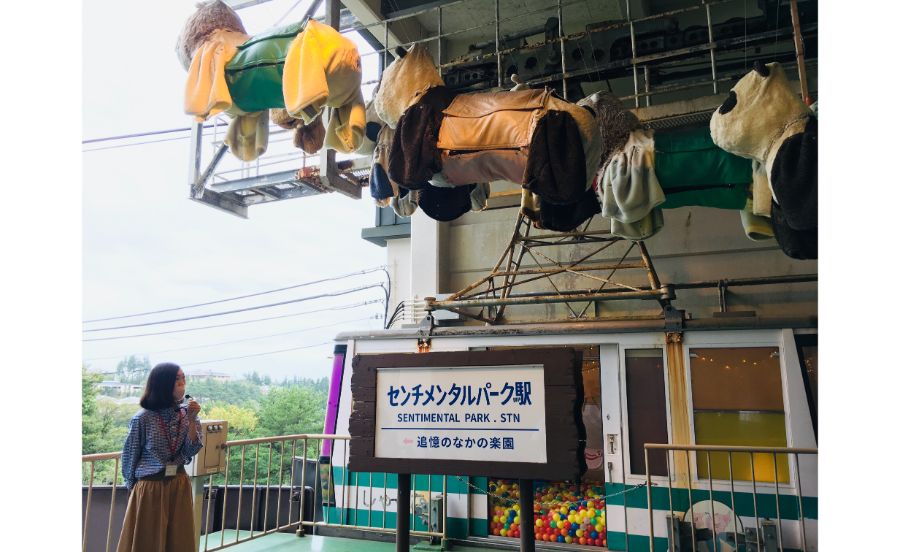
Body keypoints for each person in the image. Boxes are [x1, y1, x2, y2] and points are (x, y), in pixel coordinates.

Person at [117, 362, 203, 552]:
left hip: (179, 483)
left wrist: (191, 420)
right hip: (150, 486)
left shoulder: (187, 414)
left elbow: (192, 449)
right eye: (177, 379)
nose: (182, 384)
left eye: (183, 378)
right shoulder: (143, 418)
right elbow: (130, 455)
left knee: (180, 541)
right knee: (146, 542)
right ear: (163, 384)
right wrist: (133, 487)